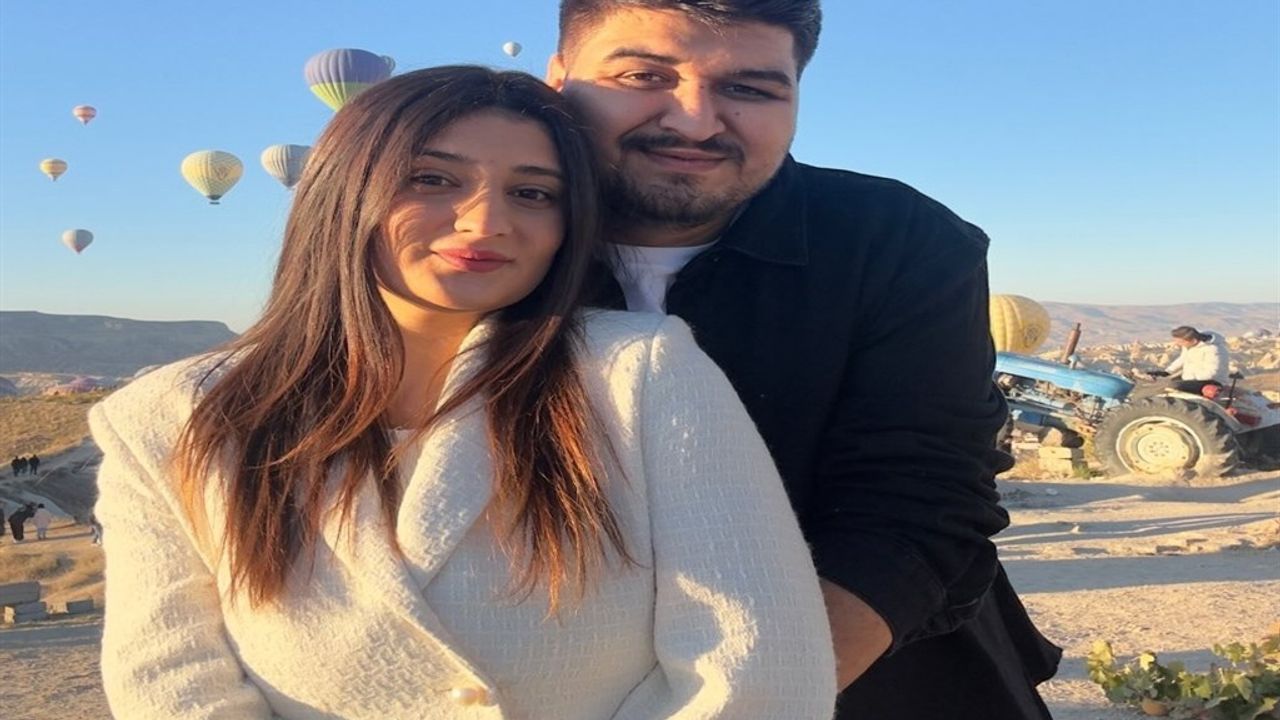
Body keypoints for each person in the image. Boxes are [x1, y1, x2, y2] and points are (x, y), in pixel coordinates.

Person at [91, 66, 835, 719]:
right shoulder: (169, 419)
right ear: (342, 193)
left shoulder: (637, 374)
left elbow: (755, 664)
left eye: (532, 193)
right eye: (433, 180)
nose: (485, 221)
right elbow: (171, 684)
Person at [547, 1, 1061, 717]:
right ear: (558, 79)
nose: (695, 122)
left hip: (873, 680)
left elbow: (919, 503)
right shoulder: (477, 245)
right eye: (644, 76)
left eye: (749, 89)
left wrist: (752, 699)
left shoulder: (893, 240)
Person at [1151, 325, 1231, 395]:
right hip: (1192, 378)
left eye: (1180, 342)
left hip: (1210, 381)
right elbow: (1183, 359)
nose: (1178, 344)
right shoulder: (1190, 346)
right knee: (1161, 385)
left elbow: (1212, 373)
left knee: (1173, 386)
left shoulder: (1213, 350)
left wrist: (1189, 378)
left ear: (1194, 340)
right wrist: (1167, 372)